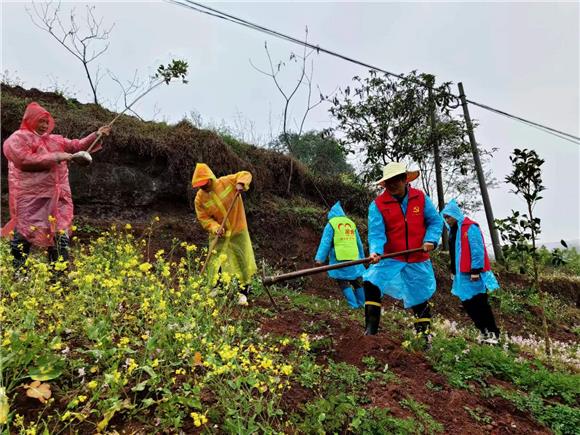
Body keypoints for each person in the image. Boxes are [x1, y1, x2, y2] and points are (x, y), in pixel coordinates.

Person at [2, 101, 111, 274]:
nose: (44, 125)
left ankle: (58, 276)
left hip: (59, 197)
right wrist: (57, 157)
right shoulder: (18, 138)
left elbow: (77, 146)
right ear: (30, 120)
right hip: (31, 197)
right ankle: (18, 271)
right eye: (40, 121)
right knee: (24, 234)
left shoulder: (55, 140)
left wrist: (97, 135)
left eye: (47, 121)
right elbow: (23, 160)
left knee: (60, 234)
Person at [363, 162, 443, 346]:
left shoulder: (420, 198)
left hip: (417, 257)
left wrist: (430, 240)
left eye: (395, 180)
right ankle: (370, 333)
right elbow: (376, 233)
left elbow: (435, 221)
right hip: (391, 256)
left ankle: (424, 339)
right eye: (388, 181)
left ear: (404, 179)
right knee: (371, 282)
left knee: (420, 296)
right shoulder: (378, 205)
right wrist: (376, 251)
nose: (391, 184)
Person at [192, 163, 257, 306]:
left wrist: (241, 184)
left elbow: (245, 174)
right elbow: (203, 218)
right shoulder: (199, 199)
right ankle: (216, 288)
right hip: (219, 234)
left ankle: (244, 292)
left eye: (205, 183)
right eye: (200, 185)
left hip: (237, 229)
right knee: (216, 261)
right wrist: (215, 228)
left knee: (241, 259)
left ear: (210, 178)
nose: (203, 186)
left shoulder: (227, 181)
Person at [441, 199, 501, 344]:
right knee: (468, 304)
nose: (447, 220)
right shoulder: (453, 231)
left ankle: (493, 333)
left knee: (480, 302)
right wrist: (453, 271)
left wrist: (475, 270)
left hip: (474, 274)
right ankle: (483, 331)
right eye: (445, 217)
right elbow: (455, 254)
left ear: (455, 214)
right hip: (461, 275)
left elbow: (477, 250)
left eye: (448, 216)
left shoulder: (470, 227)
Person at [315, 201, 366, 309]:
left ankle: (353, 305)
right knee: (356, 280)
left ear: (332, 213)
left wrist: (320, 259)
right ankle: (362, 303)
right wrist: (362, 258)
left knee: (342, 281)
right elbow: (359, 243)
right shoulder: (351, 223)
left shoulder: (331, 223)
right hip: (354, 257)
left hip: (340, 258)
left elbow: (325, 242)